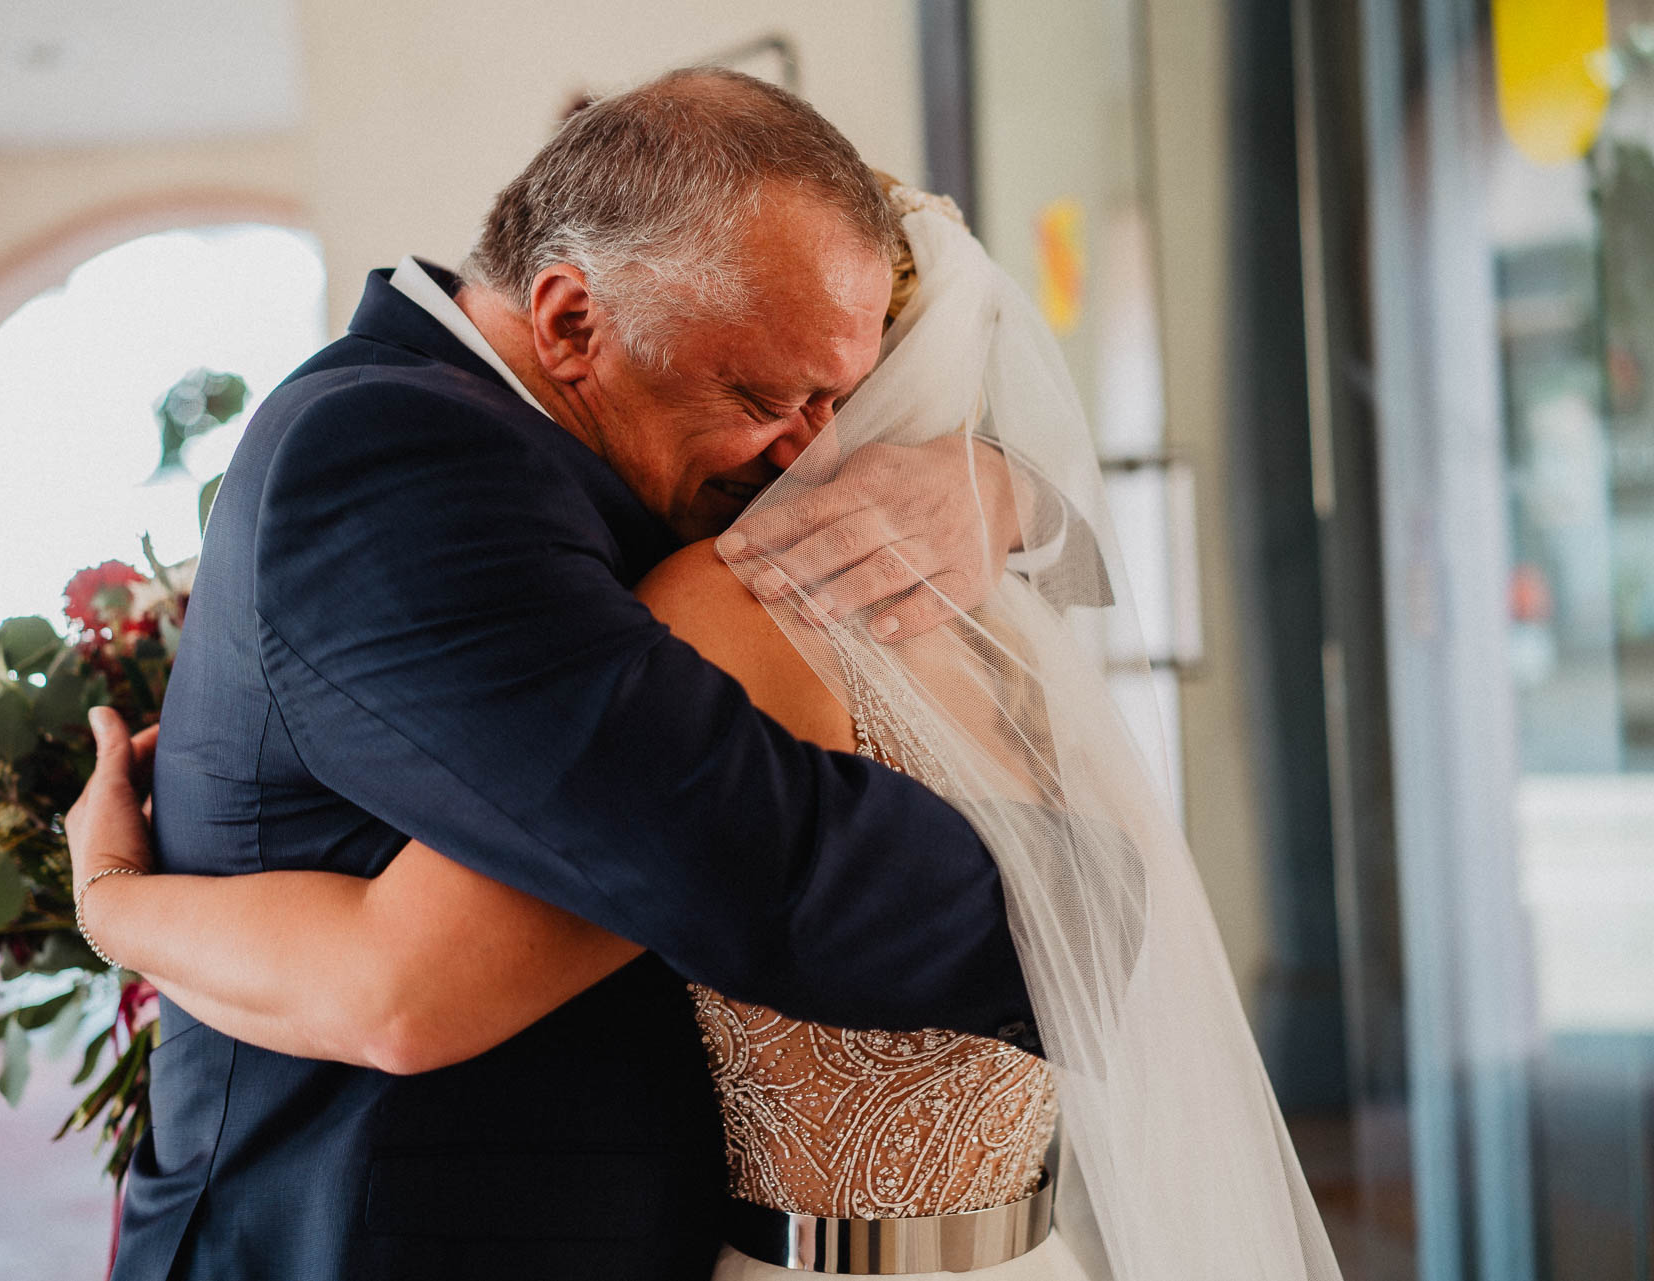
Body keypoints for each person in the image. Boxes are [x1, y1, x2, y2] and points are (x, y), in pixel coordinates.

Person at [73, 126, 1346, 1278]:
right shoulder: (401, 454)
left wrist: (1002, 490)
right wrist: (1084, 908)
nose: (805, 452)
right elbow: (727, 853)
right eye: (766, 397)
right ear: (569, 320)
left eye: (840, 404)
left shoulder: (711, 504)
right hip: (382, 1233)